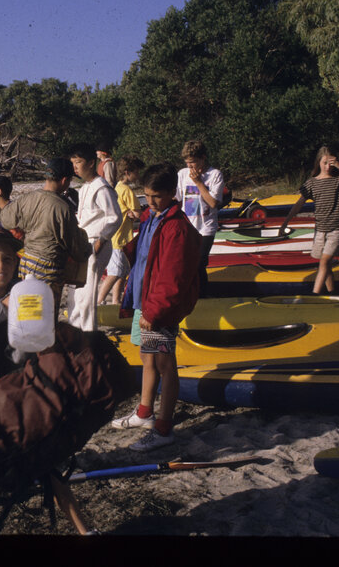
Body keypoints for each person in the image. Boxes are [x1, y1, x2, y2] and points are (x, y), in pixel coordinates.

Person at [0, 226, 93, 535]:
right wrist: (0, 309)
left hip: (13, 404)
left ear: (17, 264)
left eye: (9, 259)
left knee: (51, 469)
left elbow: (36, 342)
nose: (1, 266)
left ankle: (85, 531)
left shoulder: (25, 294)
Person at [112, 162, 201, 452]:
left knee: (165, 364)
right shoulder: (152, 215)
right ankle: (144, 413)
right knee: (147, 358)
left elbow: (172, 277)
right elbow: (143, 253)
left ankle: (164, 429)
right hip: (143, 303)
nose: (149, 202)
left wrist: (154, 312)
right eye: (146, 195)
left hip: (158, 308)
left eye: (156, 196)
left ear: (172, 193)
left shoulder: (177, 227)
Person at [0, 159, 87, 314]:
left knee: (28, 312)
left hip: (27, 266)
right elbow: (76, 247)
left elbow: (5, 219)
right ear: (64, 180)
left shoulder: (28, 198)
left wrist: (23, 229)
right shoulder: (63, 208)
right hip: (49, 271)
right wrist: (87, 246)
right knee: (46, 316)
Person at [278, 146, 339, 294]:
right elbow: (298, 205)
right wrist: (285, 223)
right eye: (324, 162)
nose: (327, 167)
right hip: (320, 230)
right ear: (318, 162)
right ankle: (332, 293)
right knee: (325, 264)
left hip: (336, 229)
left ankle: (315, 295)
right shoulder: (312, 183)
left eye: (330, 164)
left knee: (324, 262)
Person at [67, 144, 122, 332]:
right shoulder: (84, 188)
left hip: (96, 243)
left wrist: (101, 241)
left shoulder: (102, 187)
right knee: (76, 293)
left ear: (91, 163)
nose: (75, 167)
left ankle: (88, 336)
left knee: (88, 294)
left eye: (78, 162)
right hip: (82, 243)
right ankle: (75, 332)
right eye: (72, 163)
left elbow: (115, 217)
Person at [174, 140, 225, 297]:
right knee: (185, 263)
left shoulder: (215, 175)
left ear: (203, 158)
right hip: (188, 226)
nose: (190, 167)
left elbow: (213, 202)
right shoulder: (182, 174)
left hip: (206, 228)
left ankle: (202, 296)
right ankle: (188, 294)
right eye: (188, 164)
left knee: (199, 263)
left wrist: (198, 183)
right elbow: (176, 200)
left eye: (193, 163)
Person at [98, 155, 145, 306]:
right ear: (127, 172)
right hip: (121, 239)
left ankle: (116, 300)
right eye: (136, 172)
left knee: (121, 273)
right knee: (115, 273)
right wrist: (134, 214)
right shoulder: (127, 190)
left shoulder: (117, 188)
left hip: (117, 238)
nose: (137, 175)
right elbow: (138, 213)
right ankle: (99, 300)